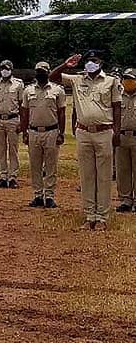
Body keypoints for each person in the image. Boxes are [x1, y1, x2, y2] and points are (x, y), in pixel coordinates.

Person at [50, 51, 121, 231]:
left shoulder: (111, 81)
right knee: (87, 176)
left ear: (101, 62)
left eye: (94, 60)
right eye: (88, 60)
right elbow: (53, 76)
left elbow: (117, 107)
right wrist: (66, 64)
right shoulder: (76, 79)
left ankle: (102, 217)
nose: (90, 63)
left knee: (104, 176)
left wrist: (117, 132)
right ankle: (90, 215)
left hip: (104, 132)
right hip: (83, 132)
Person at [20, 61, 66, 209]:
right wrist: (24, 132)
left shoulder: (57, 90)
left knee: (51, 166)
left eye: (43, 72)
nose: (40, 74)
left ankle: (50, 196)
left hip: (51, 131)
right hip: (33, 132)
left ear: (48, 72)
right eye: (38, 72)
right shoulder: (28, 91)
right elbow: (24, 113)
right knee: (35, 166)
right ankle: (38, 195)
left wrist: (61, 133)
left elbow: (62, 113)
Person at [0, 60, 24, 189]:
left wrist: (21, 122)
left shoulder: (18, 84)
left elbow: (22, 104)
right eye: (2, 68)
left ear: (11, 69)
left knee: (13, 149)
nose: (4, 70)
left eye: (6, 68)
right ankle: (3, 176)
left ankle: (13, 176)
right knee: (0, 149)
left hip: (13, 119)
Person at [115, 68, 136, 212]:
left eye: (131, 79)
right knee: (123, 170)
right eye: (126, 78)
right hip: (121, 137)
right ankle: (126, 200)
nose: (128, 82)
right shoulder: (117, 96)